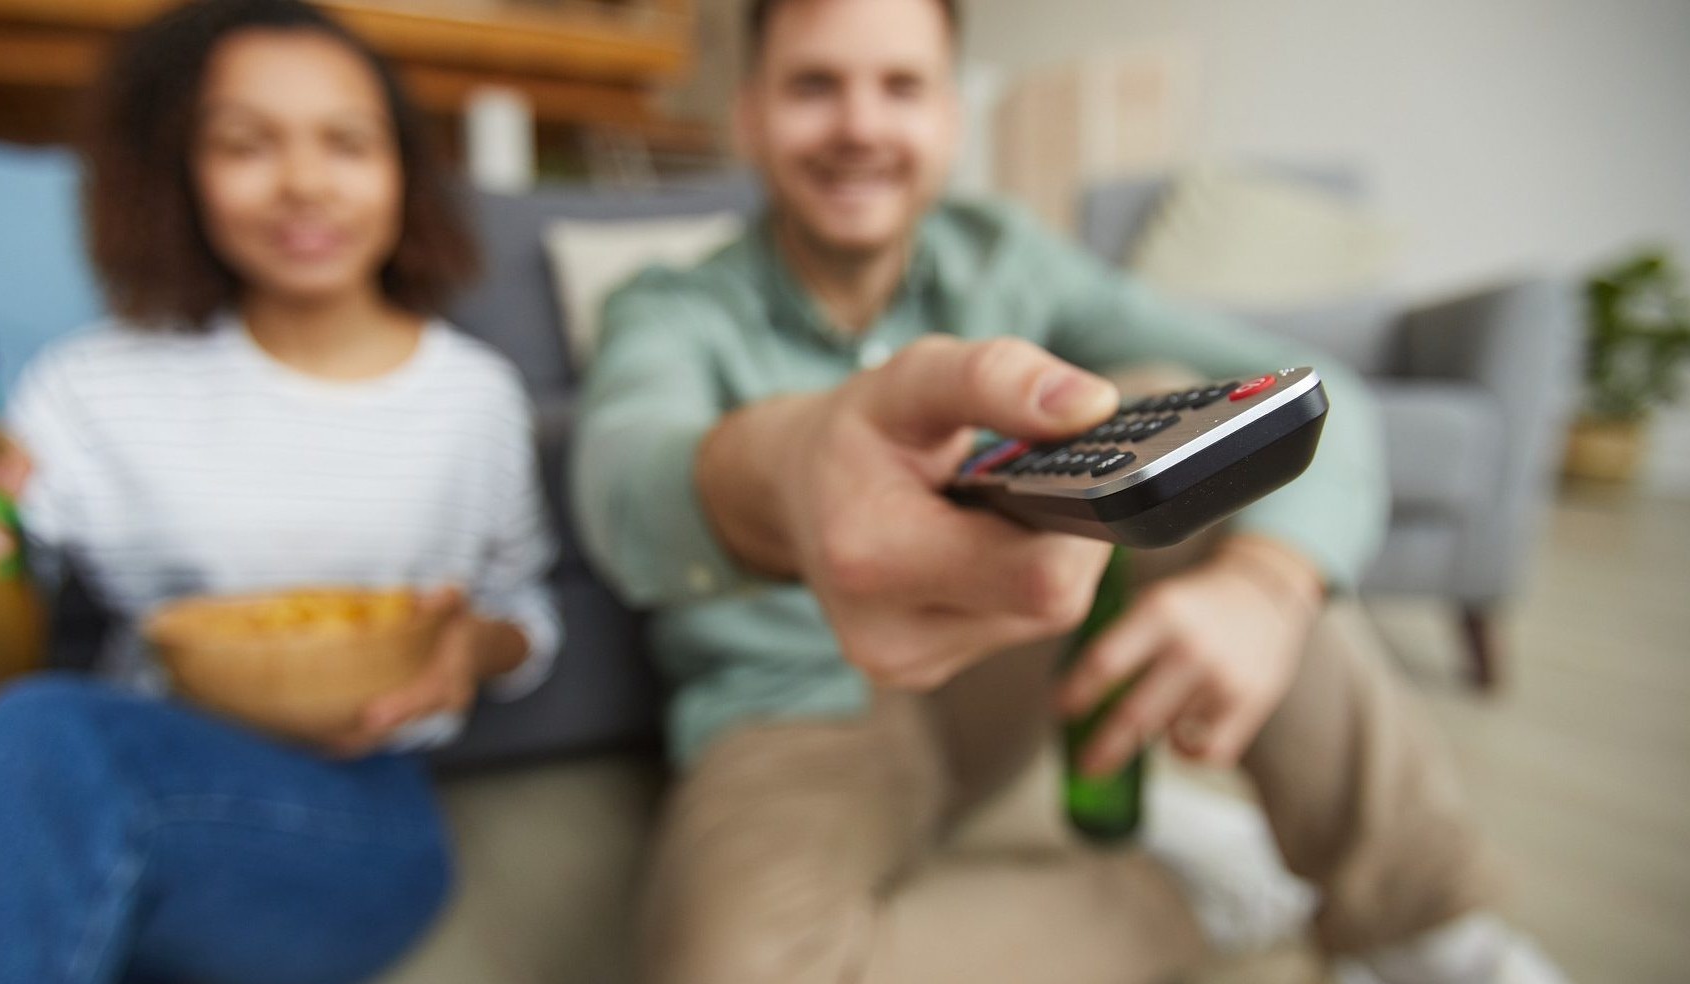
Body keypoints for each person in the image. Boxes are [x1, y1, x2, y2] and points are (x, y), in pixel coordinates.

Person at [571, 0, 1566, 982]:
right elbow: (624, 488)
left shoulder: (1008, 257)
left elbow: (1306, 393)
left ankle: (1426, 931)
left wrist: (1267, 581)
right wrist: (785, 467)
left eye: (900, 86)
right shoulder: (670, 309)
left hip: (1002, 676)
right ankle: (1192, 899)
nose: (861, 126)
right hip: (792, 716)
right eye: (814, 85)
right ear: (747, 113)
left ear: (950, 119)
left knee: (1162, 415)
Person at [0, 2, 557, 981]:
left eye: (345, 145)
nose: (303, 184)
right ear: (182, 173)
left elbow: (524, 608)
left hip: (353, 812)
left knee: (48, 740)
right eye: (245, 146)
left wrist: (470, 645)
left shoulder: (472, 398)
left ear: (402, 173)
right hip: (132, 743)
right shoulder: (93, 384)